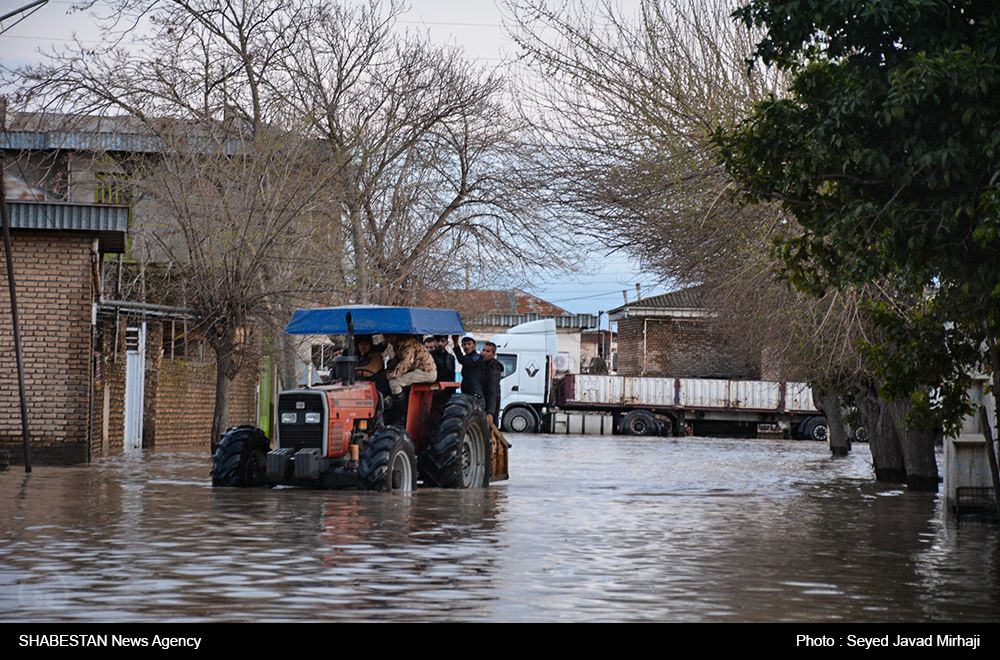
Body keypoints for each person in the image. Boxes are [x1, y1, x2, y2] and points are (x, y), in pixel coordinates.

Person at [452, 332, 485, 401]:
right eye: (464, 344)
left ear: (474, 344)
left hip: (475, 394)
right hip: (467, 391)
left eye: (469, 344)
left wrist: (455, 343)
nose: (466, 346)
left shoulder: (477, 358)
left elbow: (463, 360)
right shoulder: (468, 357)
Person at [481, 341, 504, 426]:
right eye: (483, 350)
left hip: (490, 402)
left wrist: (490, 412)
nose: (484, 353)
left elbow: (492, 390)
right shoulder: (481, 363)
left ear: (493, 354)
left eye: (488, 351)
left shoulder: (494, 368)